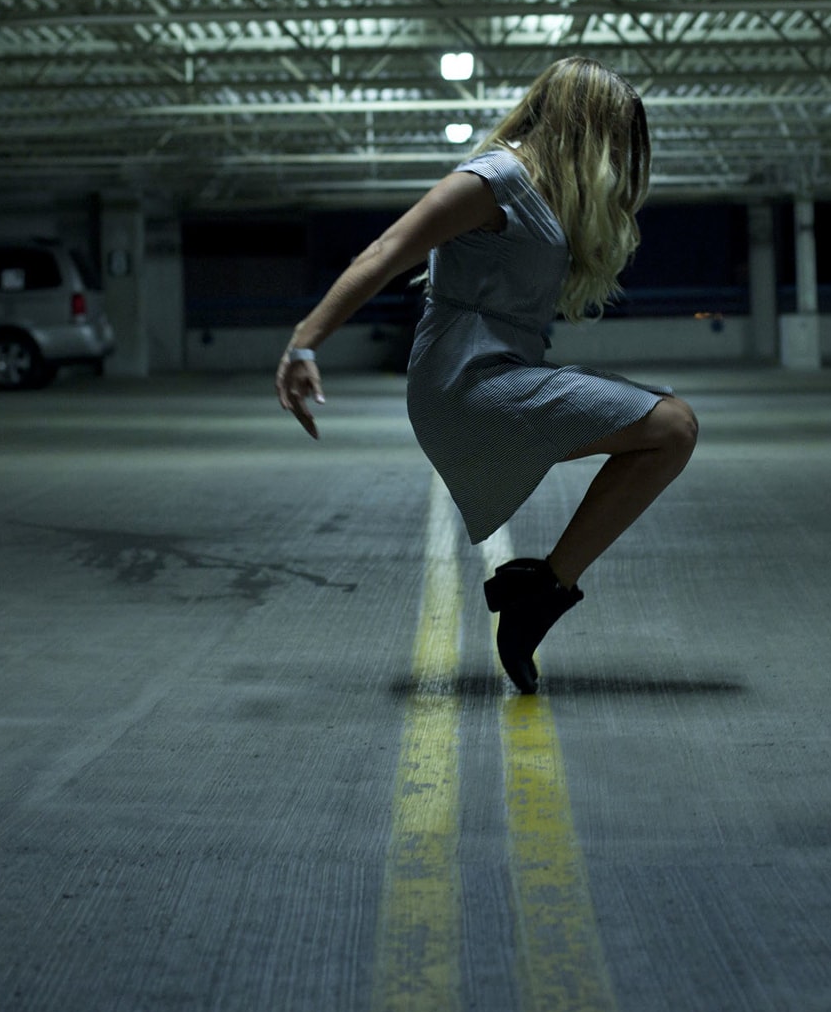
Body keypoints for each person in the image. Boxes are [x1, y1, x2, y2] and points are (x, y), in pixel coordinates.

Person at [276, 56, 698, 693]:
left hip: (504, 371)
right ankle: (541, 594)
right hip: (464, 381)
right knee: (671, 426)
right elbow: (386, 252)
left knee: (672, 429)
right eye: (612, 132)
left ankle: (541, 590)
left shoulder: (545, 192)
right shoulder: (492, 179)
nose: (618, 151)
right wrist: (304, 344)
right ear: (582, 122)